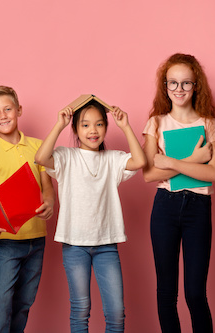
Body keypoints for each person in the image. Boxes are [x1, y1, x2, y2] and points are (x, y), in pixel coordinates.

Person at [35, 99, 146, 332]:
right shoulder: (66, 156)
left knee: (116, 313)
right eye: (85, 125)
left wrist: (126, 126)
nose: (93, 131)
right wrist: (59, 125)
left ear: (106, 127)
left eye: (98, 124)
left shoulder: (113, 158)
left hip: (107, 244)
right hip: (74, 245)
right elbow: (41, 158)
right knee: (80, 310)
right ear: (75, 129)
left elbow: (140, 161)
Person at [142, 53, 215, 333]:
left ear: (196, 85)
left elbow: (213, 174)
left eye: (186, 83)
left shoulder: (210, 124)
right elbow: (150, 174)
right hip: (165, 206)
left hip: (198, 207)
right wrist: (194, 159)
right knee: (166, 293)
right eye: (173, 83)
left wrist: (172, 162)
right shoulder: (156, 123)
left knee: (194, 293)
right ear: (165, 86)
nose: (179, 89)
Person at [0, 85, 55, 333]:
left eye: (8, 109)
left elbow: (47, 186)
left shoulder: (38, 146)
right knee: (0, 302)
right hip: (5, 240)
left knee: (23, 303)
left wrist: (49, 201)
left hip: (36, 239)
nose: (3, 115)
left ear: (19, 110)